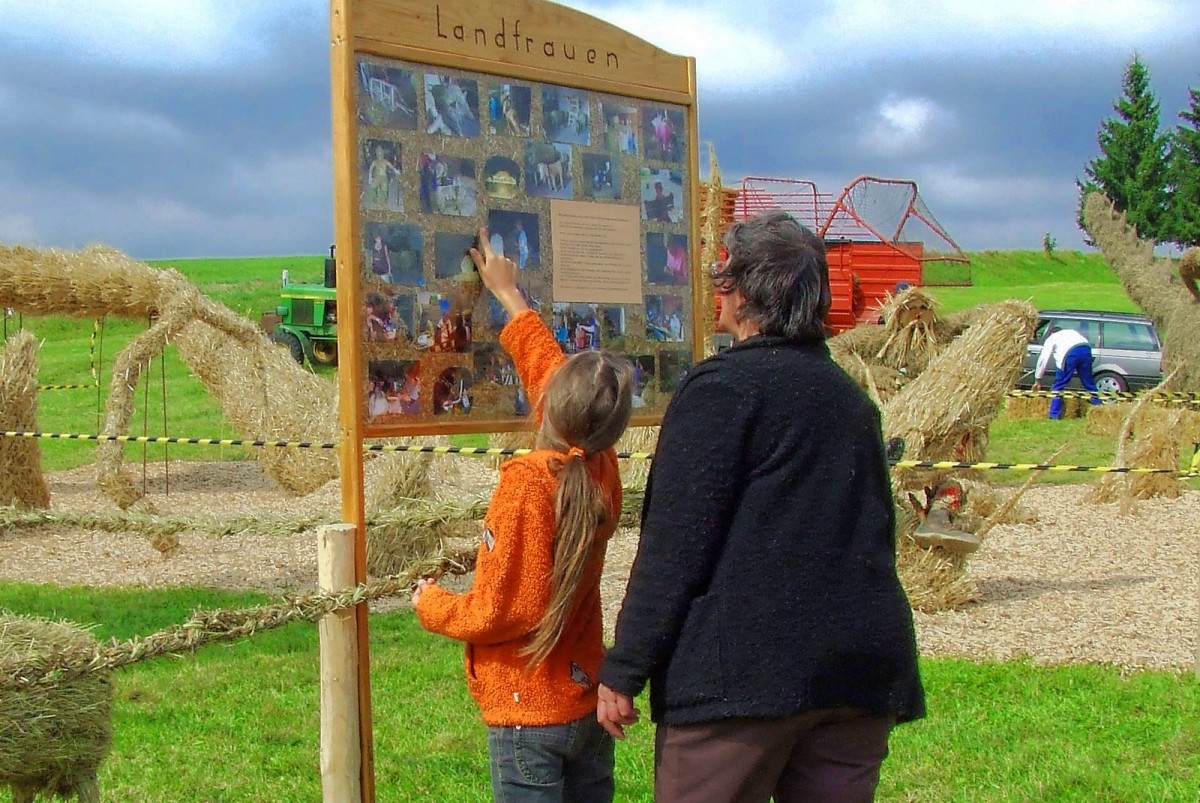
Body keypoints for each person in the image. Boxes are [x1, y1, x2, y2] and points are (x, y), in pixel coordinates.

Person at [596, 211, 925, 803]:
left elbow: (675, 546)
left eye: (724, 279)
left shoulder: (722, 389)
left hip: (743, 679)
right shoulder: (851, 401)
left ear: (743, 294)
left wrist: (625, 668)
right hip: (857, 671)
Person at [413, 226, 634, 802]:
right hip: (581, 702)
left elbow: (502, 608)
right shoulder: (600, 464)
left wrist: (431, 604)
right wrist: (509, 296)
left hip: (527, 715)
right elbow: (556, 376)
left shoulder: (528, 483)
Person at [1033, 325, 1103, 418]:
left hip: (1070, 353)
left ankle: (1054, 415)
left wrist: (1038, 379)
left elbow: (1043, 359)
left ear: (1051, 333)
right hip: (1086, 349)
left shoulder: (1052, 338)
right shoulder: (1072, 331)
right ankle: (1099, 408)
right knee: (1088, 382)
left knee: (1058, 385)